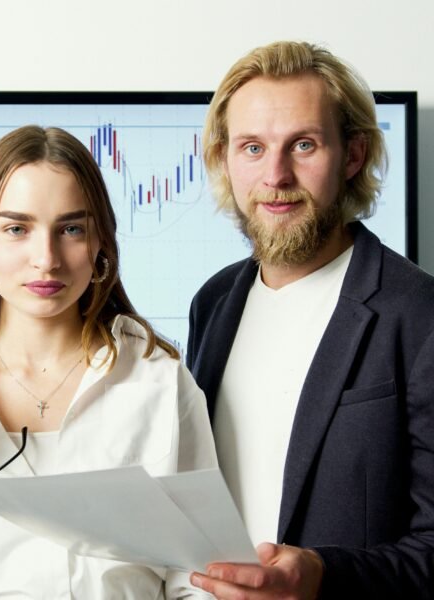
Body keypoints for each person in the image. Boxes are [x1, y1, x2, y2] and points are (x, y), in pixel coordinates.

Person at [0, 125, 218, 599]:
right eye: (16, 229)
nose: (46, 259)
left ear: (99, 246)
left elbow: (199, 579)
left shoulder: (157, 379)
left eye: (71, 229)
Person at [186, 41, 434, 599]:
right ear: (226, 159)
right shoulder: (212, 303)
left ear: (352, 155)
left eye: (303, 144)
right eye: (252, 147)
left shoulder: (419, 315)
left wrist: (325, 576)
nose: (276, 175)